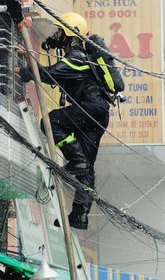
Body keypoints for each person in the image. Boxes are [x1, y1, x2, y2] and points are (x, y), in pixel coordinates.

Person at [14, 12, 110, 230]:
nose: (56, 35)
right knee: (87, 169)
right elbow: (52, 73)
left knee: (51, 121)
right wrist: (29, 57)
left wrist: (25, 71)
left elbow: (47, 75)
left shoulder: (76, 56)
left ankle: (75, 158)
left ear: (69, 33)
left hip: (90, 109)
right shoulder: (79, 57)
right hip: (99, 114)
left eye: (59, 31)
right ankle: (79, 215)